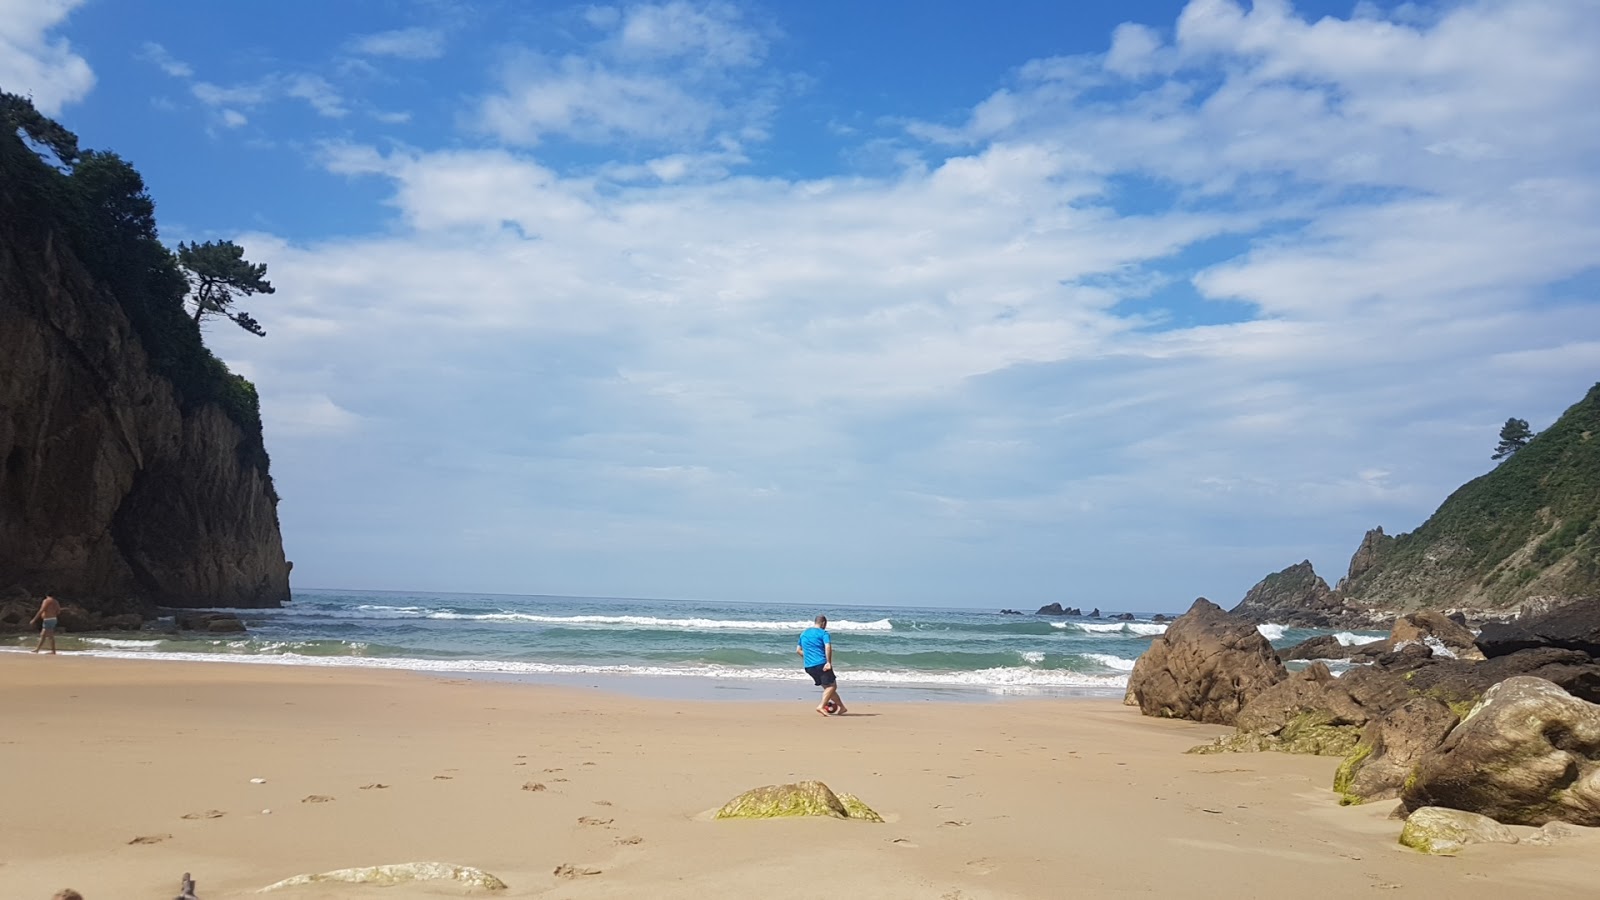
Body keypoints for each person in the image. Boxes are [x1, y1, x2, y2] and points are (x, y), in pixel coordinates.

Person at [797, 614, 847, 716]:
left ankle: (842, 707)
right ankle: (821, 706)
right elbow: (828, 647)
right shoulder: (824, 633)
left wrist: (808, 658)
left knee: (827, 687)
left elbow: (798, 650)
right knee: (832, 686)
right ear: (823, 623)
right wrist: (828, 662)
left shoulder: (804, 633)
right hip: (821, 664)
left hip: (809, 666)